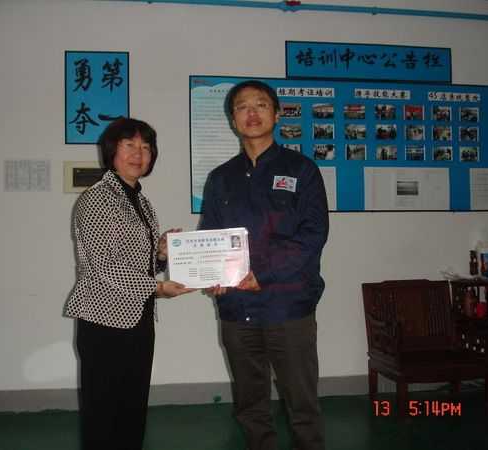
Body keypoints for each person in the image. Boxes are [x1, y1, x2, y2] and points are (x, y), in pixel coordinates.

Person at [200, 80, 329, 450]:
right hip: (236, 308)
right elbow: (210, 234)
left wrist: (264, 274)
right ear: (233, 119)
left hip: (288, 306)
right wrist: (211, 274)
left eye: (260, 104)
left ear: (277, 114)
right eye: (242, 106)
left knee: (302, 404)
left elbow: (313, 234)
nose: (252, 113)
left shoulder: (302, 170)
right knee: (250, 405)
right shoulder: (220, 178)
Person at [64, 117, 193, 450]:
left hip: (138, 319)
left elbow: (139, 264)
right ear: (112, 151)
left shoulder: (141, 201)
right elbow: (103, 264)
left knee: (132, 408)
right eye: (130, 145)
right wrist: (157, 288)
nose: (139, 154)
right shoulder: (97, 199)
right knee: (103, 412)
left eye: (146, 147)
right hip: (104, 320)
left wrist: (161, 254)